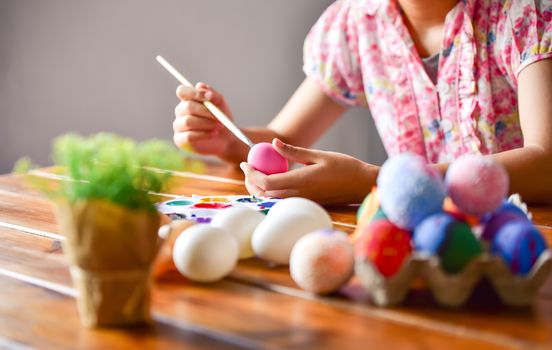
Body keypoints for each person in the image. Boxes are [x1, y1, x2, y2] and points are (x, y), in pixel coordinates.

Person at [172, 0, 552, 205]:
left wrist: (377, 183)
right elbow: (280, 140)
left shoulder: (525, 14)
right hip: (414, 249)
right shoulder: (358, 22)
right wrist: (225, 139)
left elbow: (547, 161)